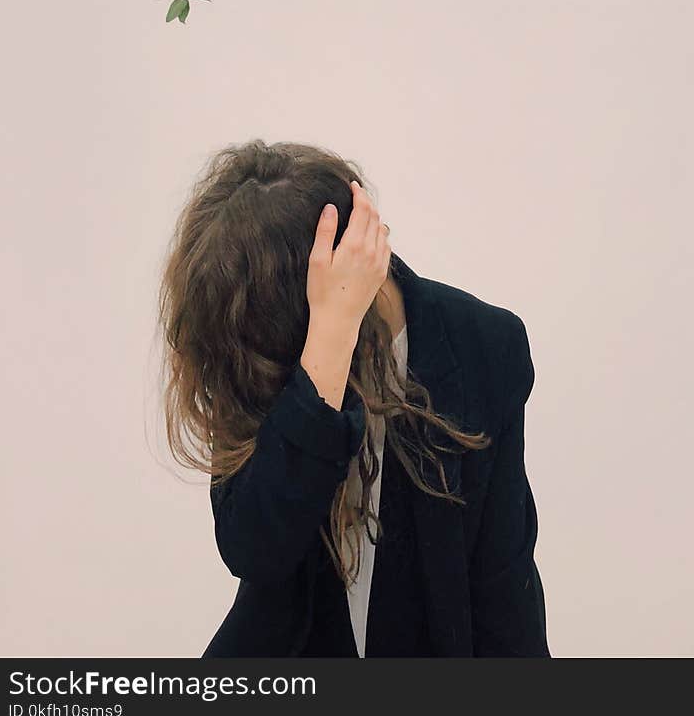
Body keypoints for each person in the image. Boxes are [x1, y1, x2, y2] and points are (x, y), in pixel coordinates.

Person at [158, 139, 550, 657]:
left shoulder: (482, 343)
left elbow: (503, 586)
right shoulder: (257, 346)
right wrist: (331, 336)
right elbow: (255, 548)